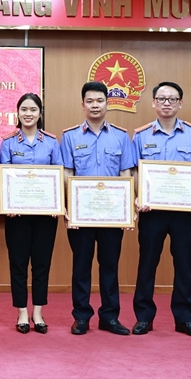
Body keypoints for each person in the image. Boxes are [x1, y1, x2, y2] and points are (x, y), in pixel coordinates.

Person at [131, 81, 191, 338]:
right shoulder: (141, 136)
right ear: (153, 102)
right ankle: (144, 317)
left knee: (185, 265)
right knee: (147, 265)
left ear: (180, 103)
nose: (167, 103)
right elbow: (134, 171)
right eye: (162, 98)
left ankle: (185, 319)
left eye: (172, 99)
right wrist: (137, 197)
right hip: (152, 212)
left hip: (185, 214)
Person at [60, 81, 136, 336]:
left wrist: (127, 209)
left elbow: (126, 173)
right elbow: (67, 173)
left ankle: (110, 317)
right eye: (90, 101)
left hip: (112, 216)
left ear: (107, 104)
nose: (95, 105)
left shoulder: (121, 136)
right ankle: (81, 316)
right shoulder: (70, 137)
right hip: (81, 216)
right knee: (81, 267)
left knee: (110, 266)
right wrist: (69, 208)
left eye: (100, 101)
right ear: (82, 105)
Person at [0, 93, 63, 334]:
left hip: (46, 215)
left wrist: (57, 204)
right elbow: (2, 177)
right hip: (17, 216)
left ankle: (38, 312)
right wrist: (8, 203)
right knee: (18, 264)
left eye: (33, 109)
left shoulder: (51, 142)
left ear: (40, 113)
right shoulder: (8, 143)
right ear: (17, 113)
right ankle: (22, 313)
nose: (28, 113)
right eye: (24, 109)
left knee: (41, 264)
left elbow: (59, 175)